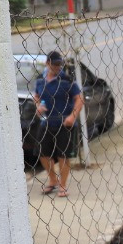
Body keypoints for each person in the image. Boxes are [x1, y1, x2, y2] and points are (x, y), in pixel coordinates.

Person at [33, 50, 83, 197]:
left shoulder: (67, 80)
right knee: (42, 153)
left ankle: (63, 185)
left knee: (63, 155)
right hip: (47, 121)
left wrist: (72, 117)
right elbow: (36, 96)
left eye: (59, 64)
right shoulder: (40, 80)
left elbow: (79, 99)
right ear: (47, 64)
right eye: (54, 64)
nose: (57, 67)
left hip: (65, 123)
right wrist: (38, 106)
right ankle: (53, 180)